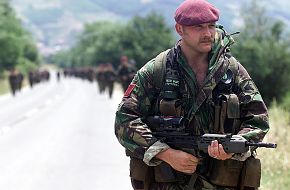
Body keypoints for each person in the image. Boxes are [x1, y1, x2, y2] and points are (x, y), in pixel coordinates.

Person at [114, 0, 270, 189]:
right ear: (180, 29)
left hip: (221, 182)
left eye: (211, 26)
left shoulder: (231, 70)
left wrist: (235, 146)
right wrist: (165, 153)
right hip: (168, 182)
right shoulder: (157, 70)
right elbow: (124, 120)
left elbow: (258, 119)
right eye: (198, 27)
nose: (207, 34)